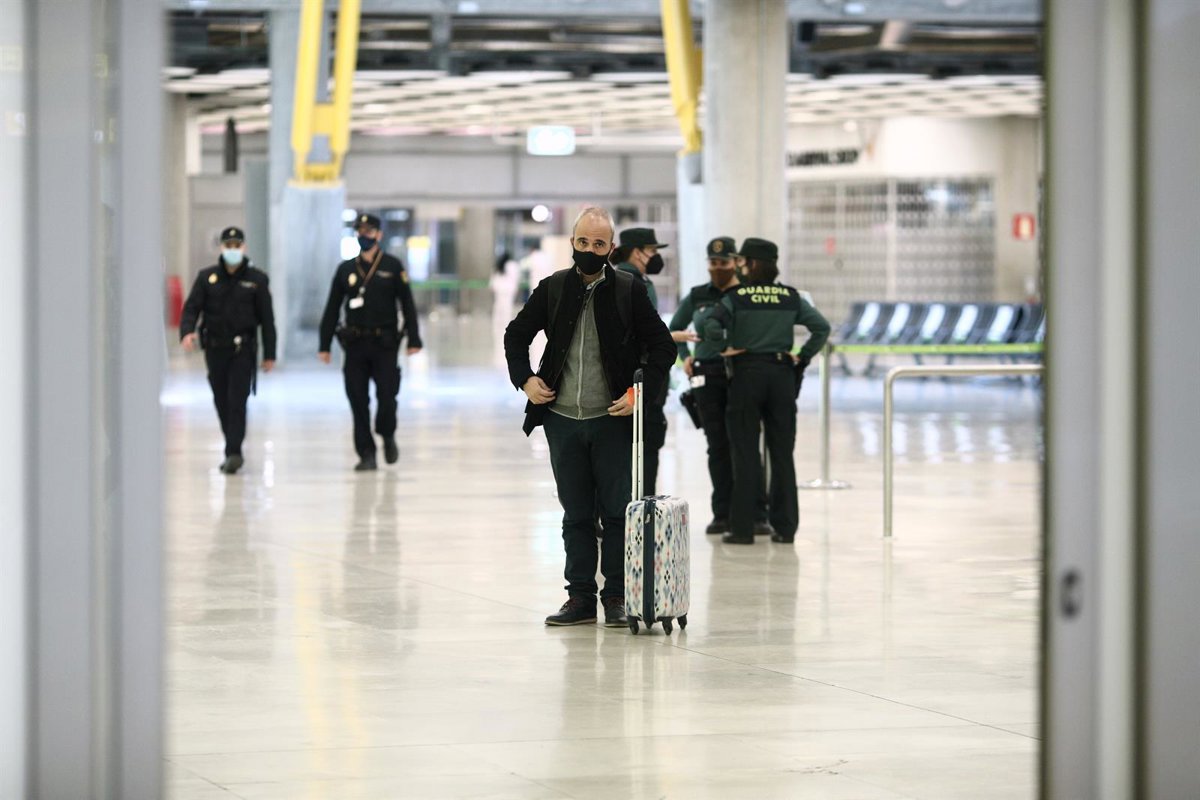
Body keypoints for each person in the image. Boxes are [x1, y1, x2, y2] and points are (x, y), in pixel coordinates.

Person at [504, 207, 676, 627]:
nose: (589, 250)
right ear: (572, 242)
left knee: (616, 513)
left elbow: (663, 347)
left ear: (610, 248)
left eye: (598, 244)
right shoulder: (553, 287)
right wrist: (525, 379)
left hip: (611, 419)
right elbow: (516, 334)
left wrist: (638, 393)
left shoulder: (628, 290)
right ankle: (579, 597)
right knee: (576, 514)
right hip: (562, 419)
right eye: (583, 242)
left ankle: (615, 595)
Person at [702, 237, 831, 545]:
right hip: (781, 376)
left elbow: (710, 326)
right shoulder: (790, 297)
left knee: (745, 452)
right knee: (782, 453)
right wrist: (802, 357)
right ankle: (785, 528)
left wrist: (723, 347)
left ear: (753, 264)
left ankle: (743, 529)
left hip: (746, 375)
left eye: (742, 261)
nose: (740, 267)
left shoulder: (737, 297)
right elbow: (821, 328)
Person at [670, 236, 771, 536]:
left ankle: (757, 513)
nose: (717, 268)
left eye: (723, 263)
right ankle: (722, 513)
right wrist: (685, 357)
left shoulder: (748, 293)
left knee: (747, 445)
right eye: (713, 263)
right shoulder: (698, 295)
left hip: (742, 374)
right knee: (718, 447)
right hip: (708, 376)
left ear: (736, 262)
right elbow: (674, 328)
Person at [318, 213, 423, 471]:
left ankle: (387, 434)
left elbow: (407, 304)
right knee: (357, 399)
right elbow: (332, 308)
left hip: (385, 344)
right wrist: (324, 344)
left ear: (379, 235)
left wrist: (414, 338)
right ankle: (366, 453)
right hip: (354, 345)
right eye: (360, 231)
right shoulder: (345, 269)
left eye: (369, 231)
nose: (364, 236)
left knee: (387, 397)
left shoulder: (392, 266)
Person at [180, 226, 277, 475]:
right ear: (222, 248)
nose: (233, 249)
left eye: (237, 245)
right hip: (215, 349)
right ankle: (232, 445)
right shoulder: (207, 278)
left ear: (243, 247)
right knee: (221, 399)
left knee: (237, 399)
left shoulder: (257, 280)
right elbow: (192, 308)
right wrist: (187, 331)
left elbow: (267, 319)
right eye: (228, 245)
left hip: (242, 350)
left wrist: (269, 354)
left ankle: (234, 452)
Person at [612, 226, 668, 494]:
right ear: (637, 252)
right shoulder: (638, 285)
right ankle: (642, 509)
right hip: (641, 378)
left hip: (619, 376)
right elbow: (645, 335)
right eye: (652, 250)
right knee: (646, 447)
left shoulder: (612, 279)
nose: (656, 256)